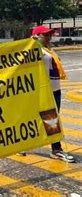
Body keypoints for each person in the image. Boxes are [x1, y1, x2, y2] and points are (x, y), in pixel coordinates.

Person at [28, 25, 75, 162]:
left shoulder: (48, 49)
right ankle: (56, 149)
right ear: (37, 36)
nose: (49, 37)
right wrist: (30, 43)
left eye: (49, 34)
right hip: (44, 91)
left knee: (51, 120)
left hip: (55, 90)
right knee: (49, 119)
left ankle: (55, 149)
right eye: (45, 35)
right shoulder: (35, 50)